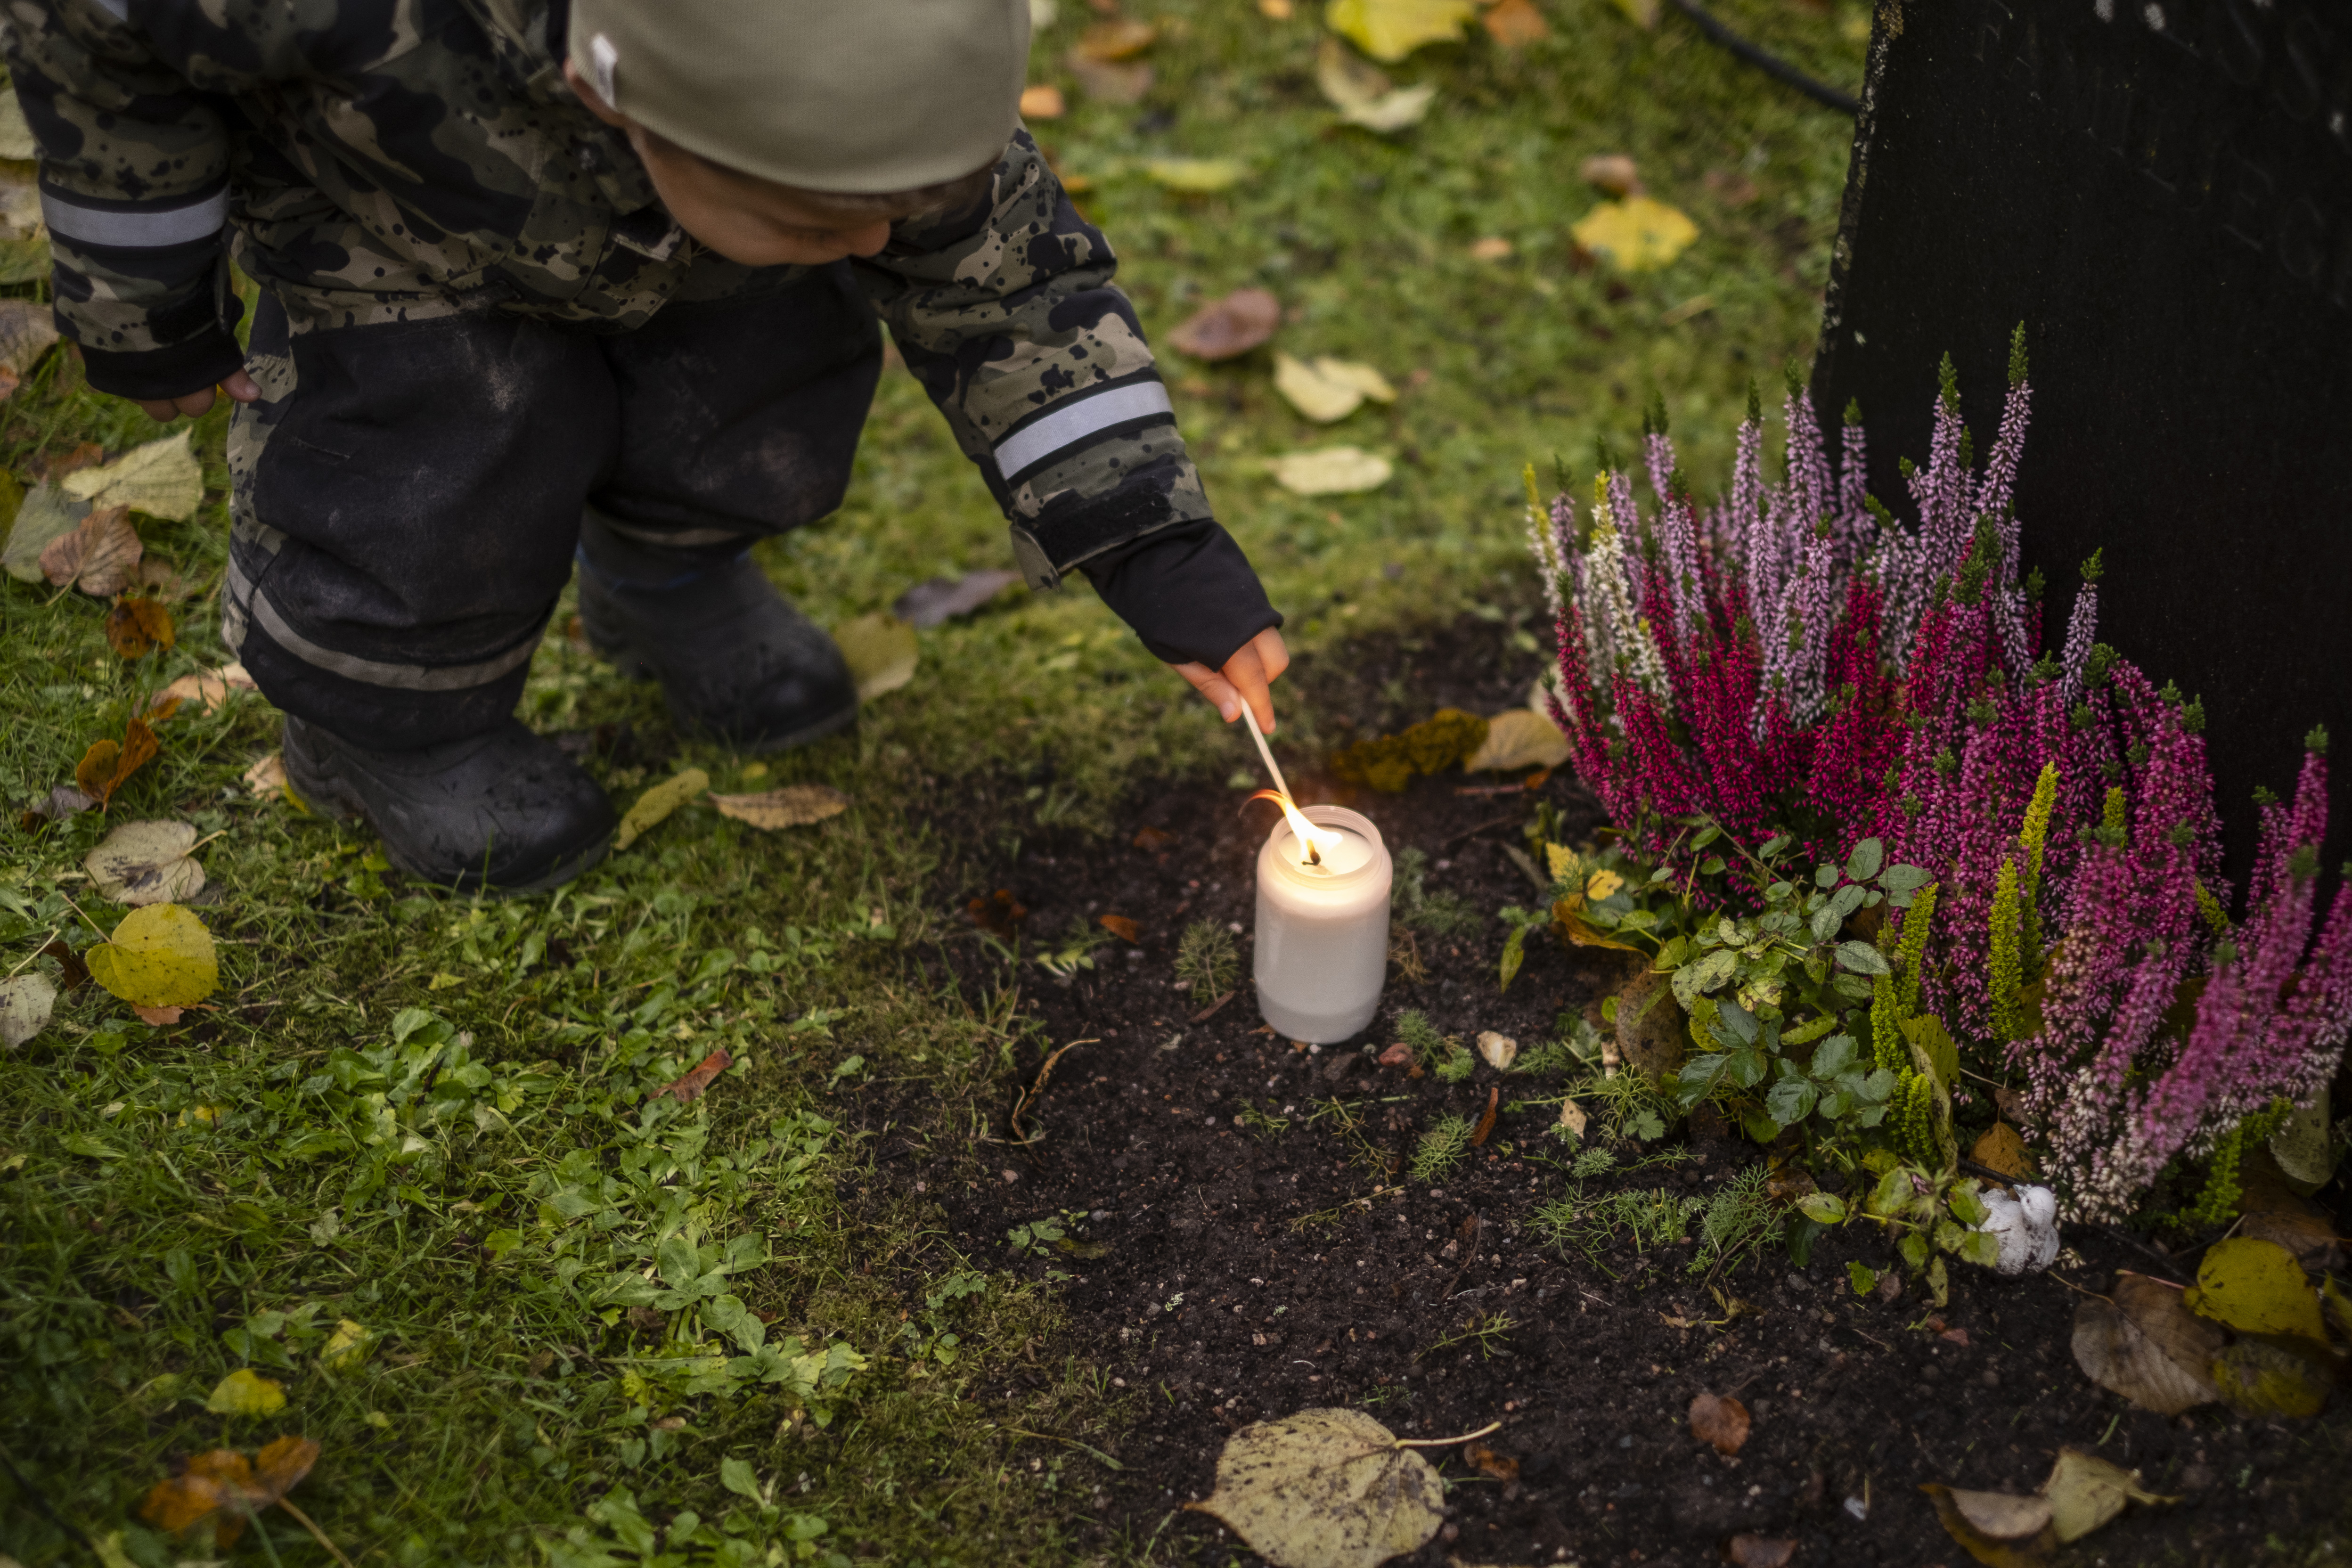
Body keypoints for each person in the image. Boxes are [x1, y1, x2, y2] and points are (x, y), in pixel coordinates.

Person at [6, 0, 1289, 889]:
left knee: (762, 374)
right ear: (612, 95)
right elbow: (98, 43)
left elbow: (1013, 293)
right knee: (427, 459)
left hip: (686, 231)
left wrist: (1152, 543)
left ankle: (670, 577)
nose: (875, 243)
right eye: (826, 215)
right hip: (395, 222)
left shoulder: (877, 90)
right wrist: (146, 298)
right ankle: (389, 724)